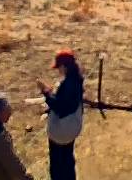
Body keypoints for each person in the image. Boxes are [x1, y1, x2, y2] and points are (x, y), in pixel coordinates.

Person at [37, 49, 84, 180]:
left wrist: (45, 92)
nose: (58, 70)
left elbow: (60, 108)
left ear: (64, 66)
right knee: (68, 159)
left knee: (57, 165)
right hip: (72, 128)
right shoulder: (77, 80)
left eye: (59, 67)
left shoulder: (66, 84)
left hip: (60, 133)